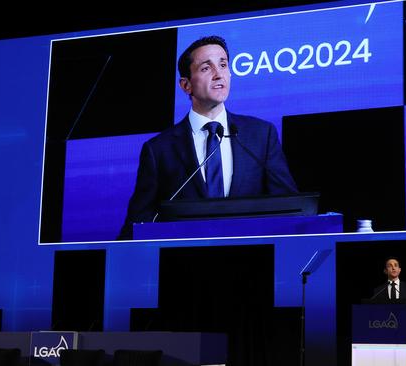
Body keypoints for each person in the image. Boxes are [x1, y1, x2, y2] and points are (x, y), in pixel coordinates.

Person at [118, 35, 298, 240]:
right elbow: (138, 222)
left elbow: (289, 207)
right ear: (186, 85)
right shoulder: (159, 149)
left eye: (223, 65)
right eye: (206, 68)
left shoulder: (260, 135)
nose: (218, 74)